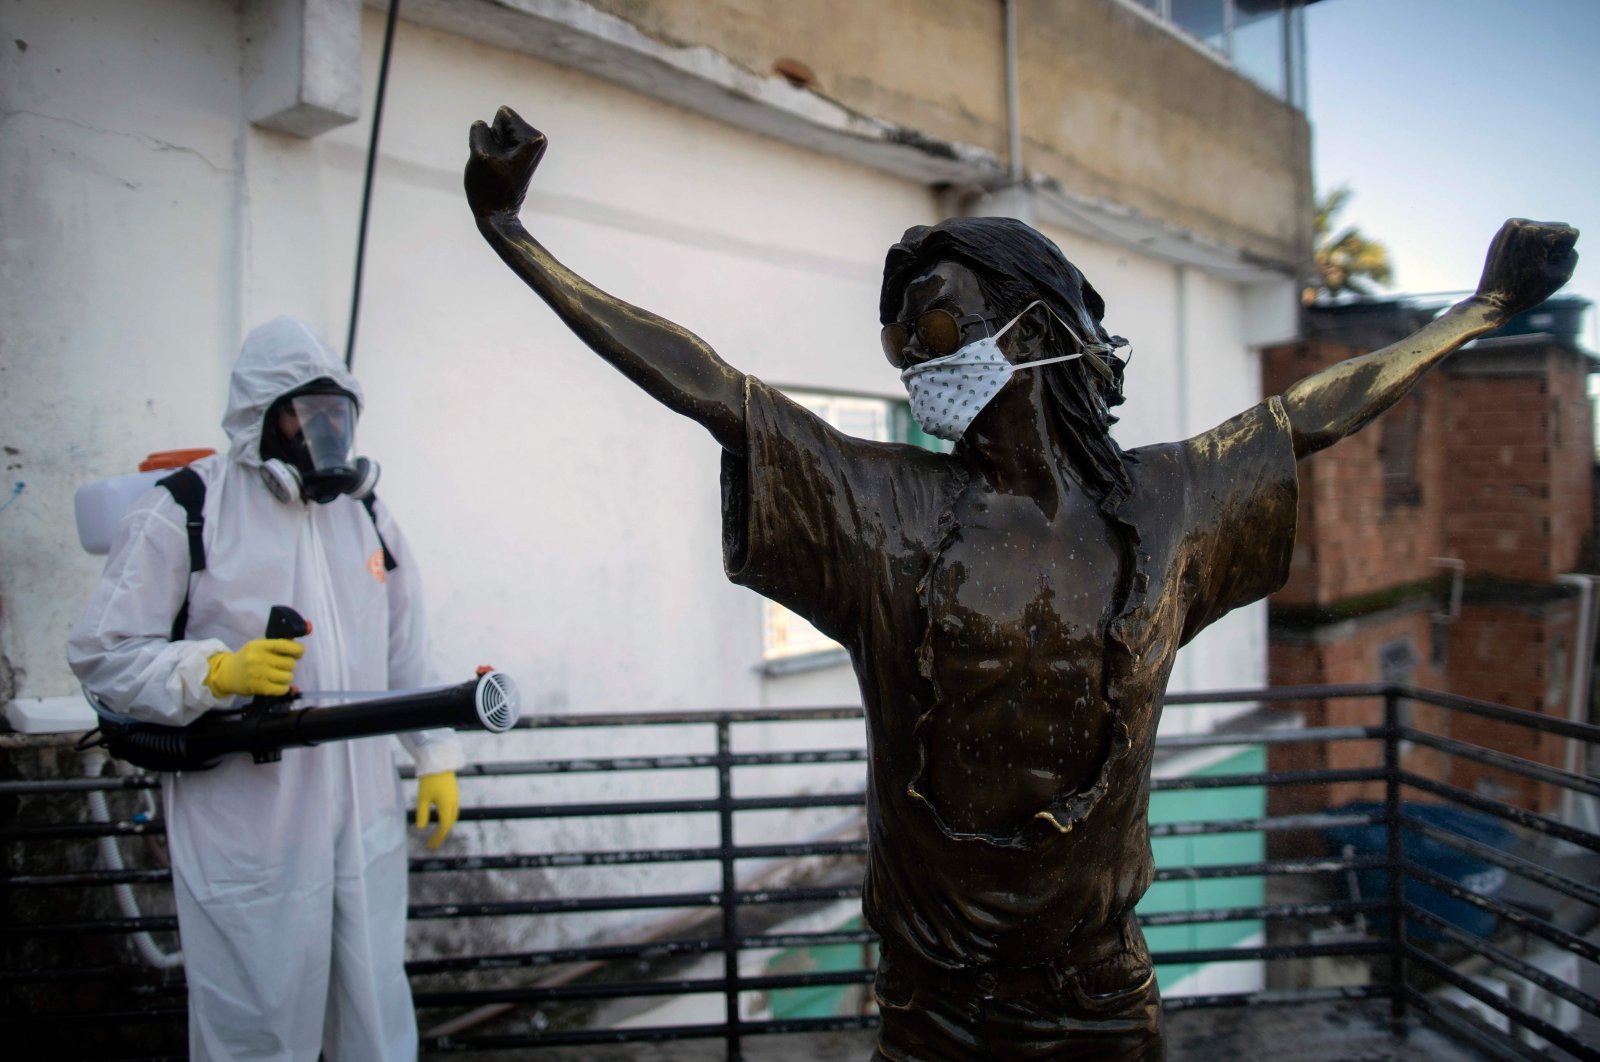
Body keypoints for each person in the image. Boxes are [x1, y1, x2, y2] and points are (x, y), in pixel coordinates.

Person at [463, 106, 1577, 1060]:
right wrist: (517, 237)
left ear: (1036, 325)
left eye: (937, 319)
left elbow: (1314, 416)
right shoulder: (880, 509)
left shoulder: (1169, 504)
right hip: (932, 1000)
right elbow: (711, 385)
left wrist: (1480, 311)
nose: (913, 354)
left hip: (1099, 991)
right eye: (900, 336)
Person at [68, 316, 465, 1061]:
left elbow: (405, 647)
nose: (326, 431)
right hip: (251, 825)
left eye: (337, 414)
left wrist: (435, 754)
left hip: (363, 813)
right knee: (256, 1024)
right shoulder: (186, 506)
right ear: (262, 415)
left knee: (376, 1018)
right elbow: (104, 653)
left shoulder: (366, 514)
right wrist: (213, 671)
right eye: (306, 413)